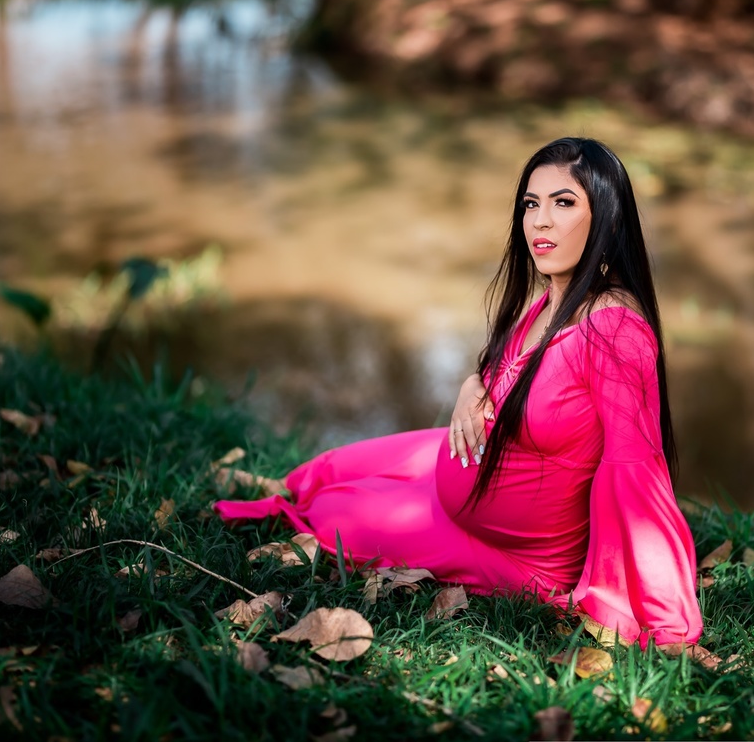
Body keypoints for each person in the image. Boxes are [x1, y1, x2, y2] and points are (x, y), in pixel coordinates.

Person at [215, 137, 705, 653]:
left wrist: (664, 619)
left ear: (606, 217)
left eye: (563, 203)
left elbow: (635, 468)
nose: (539, 222)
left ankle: (296, 504)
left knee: (337, 515)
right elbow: (514, 375)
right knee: (337, 465)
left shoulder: (615, 331)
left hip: (521, 554)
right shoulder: (555, 297)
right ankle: (281, 485)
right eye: (531, 204)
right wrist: (473, 384)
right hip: (473, 463)